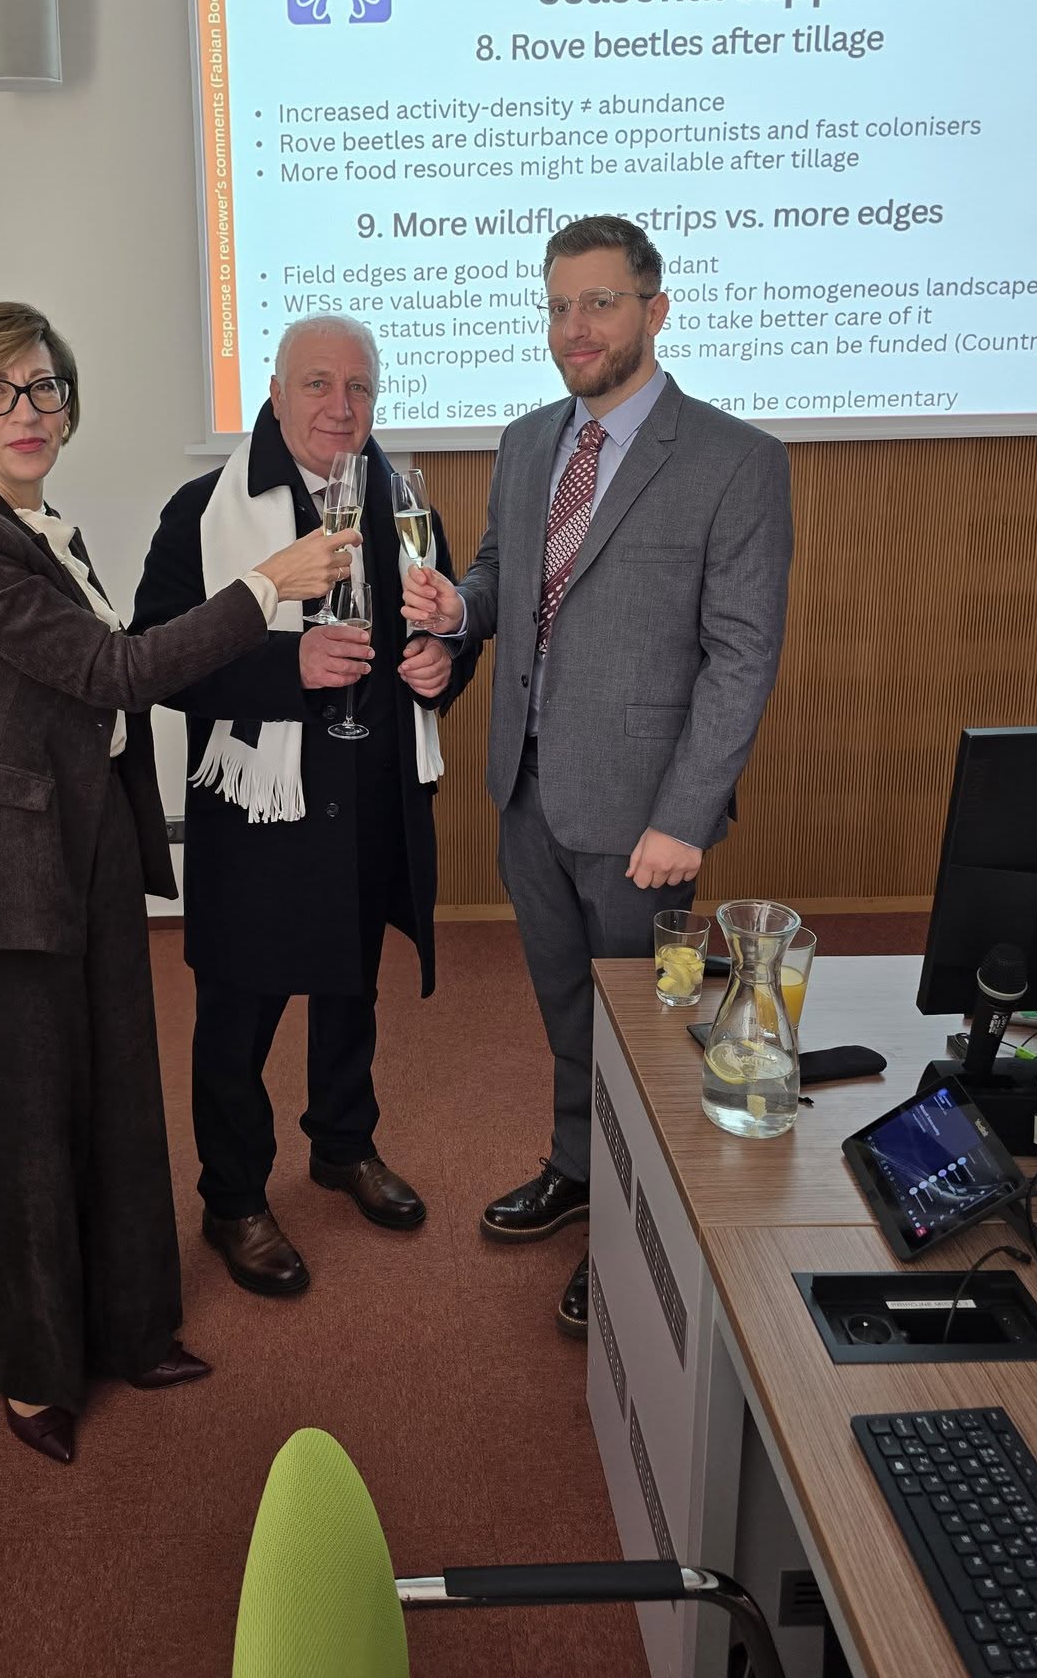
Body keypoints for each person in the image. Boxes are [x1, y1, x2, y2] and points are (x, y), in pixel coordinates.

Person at [0, 301, 356, 1462]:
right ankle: (35, 1373)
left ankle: (135, 1328)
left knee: (114, 1099)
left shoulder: (44, 527)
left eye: (44, 386)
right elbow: (114, 669)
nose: (28, 409)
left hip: (84, 846)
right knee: (21, 1133)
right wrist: (265, 586)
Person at [402, 215, 793, 1333]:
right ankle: (578, 1168)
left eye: (601, 302)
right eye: (560, 305)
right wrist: (459, 609)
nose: (576, 326)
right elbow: (500, 575)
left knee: (651, 1034)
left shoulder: (736, 460)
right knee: (568, 1008)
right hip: (525, 792)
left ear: (655, 311)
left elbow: (741, 656)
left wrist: (686, 816)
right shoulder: (529, 441)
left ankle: (634, 1231)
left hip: (643, 821)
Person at [131, 316, 477, 1295]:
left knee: (349, 988)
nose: (340, 405)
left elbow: (447, 632)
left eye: (359, 387)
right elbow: (156, 658)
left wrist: (444, 663)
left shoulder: (405, 507)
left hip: (369, 801)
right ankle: (233, 1196)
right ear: (275, 395)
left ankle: (342, 1144)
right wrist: (288, 666)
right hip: (260, 814)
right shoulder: (203, 513)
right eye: (317, 383)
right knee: (237, 1019)